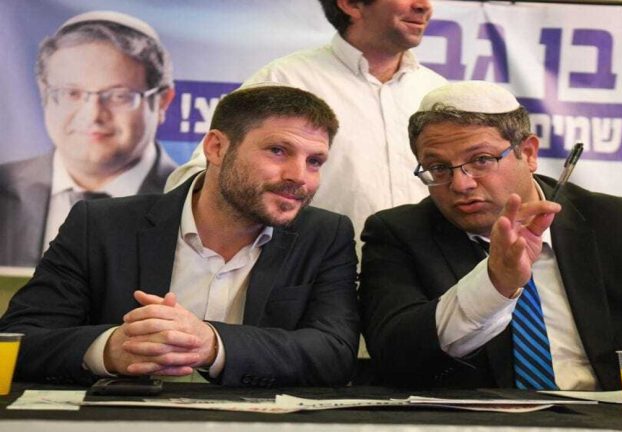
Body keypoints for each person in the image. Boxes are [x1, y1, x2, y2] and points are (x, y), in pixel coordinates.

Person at [358, 80, 622, 408]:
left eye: (481, 160)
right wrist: (494, 284)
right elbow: (396, 357)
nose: (461, 184)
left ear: (528, 153)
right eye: (437, 168)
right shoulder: (399, 233)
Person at [0, 85, 359, 387]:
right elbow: (19, 339)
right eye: (278, 151)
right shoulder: (101, 224)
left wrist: (213, 344)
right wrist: (108, 349)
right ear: (216, 148)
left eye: (315, 161)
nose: (299, 176)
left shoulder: (326, 235)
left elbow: (334, 355)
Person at [165, 0, 446, 246]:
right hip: (311, 278)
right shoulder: (285, 79)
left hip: (423, 281)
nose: (424, 5)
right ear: (350, 4)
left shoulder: (439, 93)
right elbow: (197, 179)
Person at [0, 11, 177, 267]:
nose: (92, 115)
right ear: (44, 94)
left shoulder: (196, 203)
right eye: (71, 93)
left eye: (118, 95)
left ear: (162, 102)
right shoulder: (4, 185)